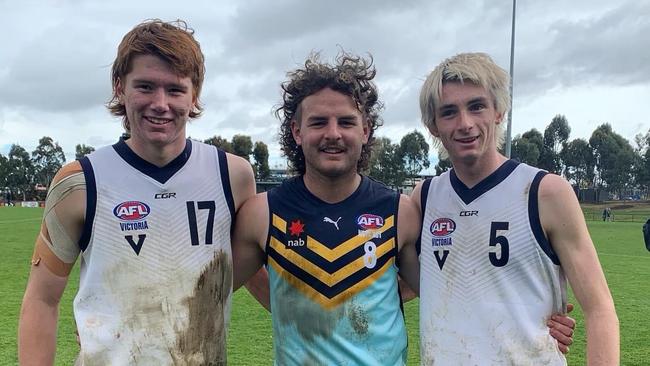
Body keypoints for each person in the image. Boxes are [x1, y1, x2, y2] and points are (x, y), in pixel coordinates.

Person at [232, 52, 574, 365]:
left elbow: (447, 287)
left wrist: (537, 321)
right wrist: (287, 305)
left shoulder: (402, 211)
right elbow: (210, 287)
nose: (333, 134)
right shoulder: (262, 214)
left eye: (347, 122)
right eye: (319, 122)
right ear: (297, 131)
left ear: (365, 131)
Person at [18, 19, 255, 365]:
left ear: (194, 96)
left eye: (175, 90)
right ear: (119, 88)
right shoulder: (79, 182)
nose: (161, 103)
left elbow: (244, 272)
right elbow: (41, 300)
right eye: (145, 86)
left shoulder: (233, 175)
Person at [415, 52, 619, 365]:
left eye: (476, 106)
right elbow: (396, 284)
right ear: (433, 125)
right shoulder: (423, 198)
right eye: (449, 112)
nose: (465, 123)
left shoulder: (546, 192)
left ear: (498, 110)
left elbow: (600, 308)